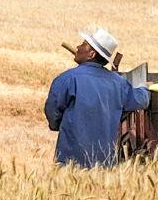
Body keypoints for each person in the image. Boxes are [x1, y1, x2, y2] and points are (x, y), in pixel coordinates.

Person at [44, 26, 150, 167]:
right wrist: (145, 88)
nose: (78, 46)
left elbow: (52, 111)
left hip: (70, 159)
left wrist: (60, 126)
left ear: (92, 54)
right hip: (105, 162)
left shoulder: (67, 79)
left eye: (83, 44)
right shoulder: (118, 83)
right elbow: (140, 100)